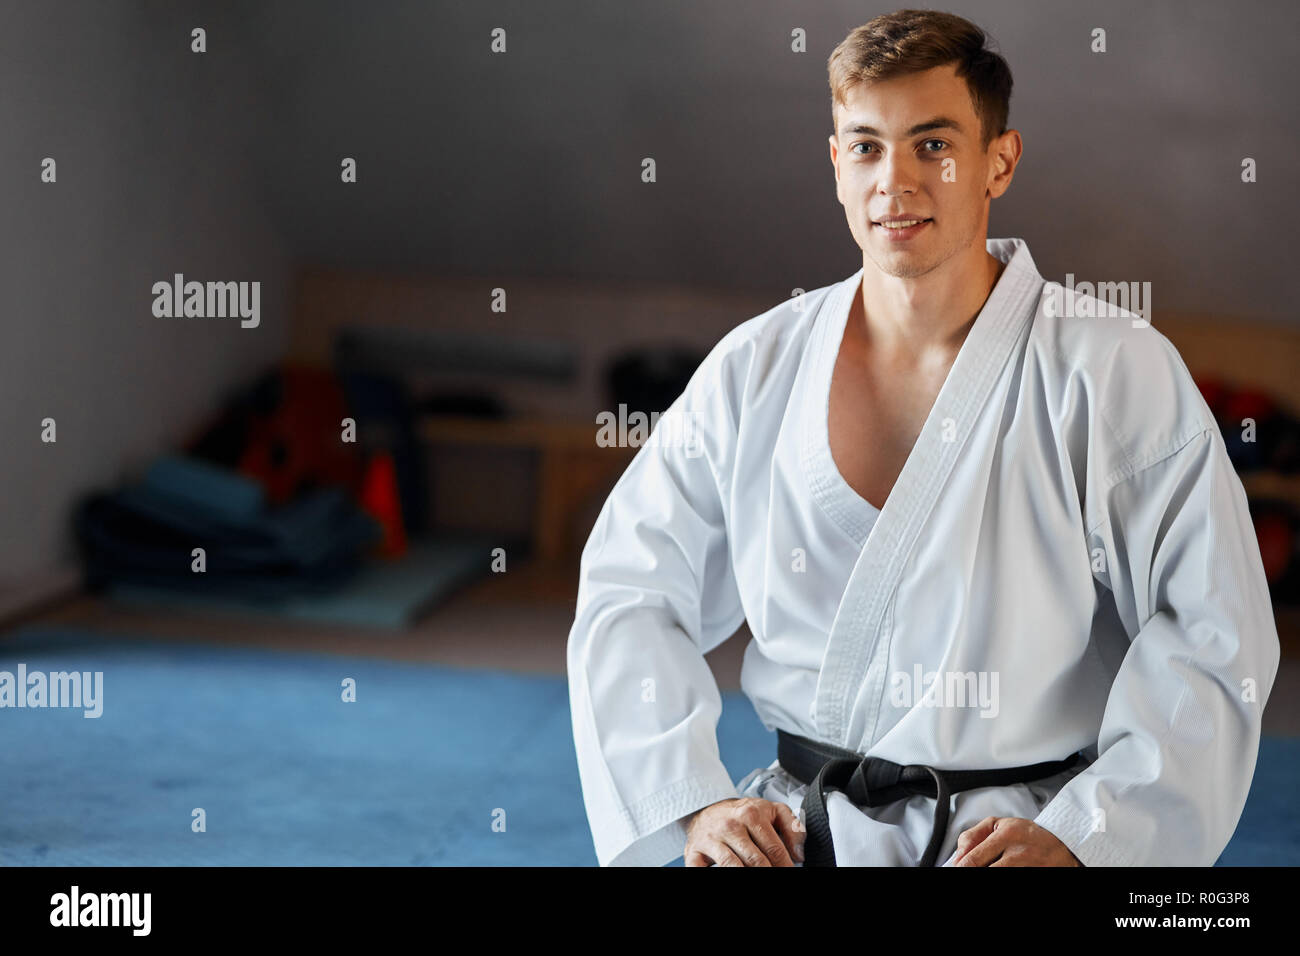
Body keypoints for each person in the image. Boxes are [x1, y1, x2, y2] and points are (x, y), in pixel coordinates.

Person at [566, 8, 1280, 867]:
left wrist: (1090, 836)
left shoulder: (1112, 371)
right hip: (797, 833)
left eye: (933, 145)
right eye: (865, 146)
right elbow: (630, 587)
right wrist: (691, 801)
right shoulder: (756, 366)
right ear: (836, 164)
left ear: (999, 162)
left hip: (1017, 840)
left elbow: (1215, 631)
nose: (893, 183)